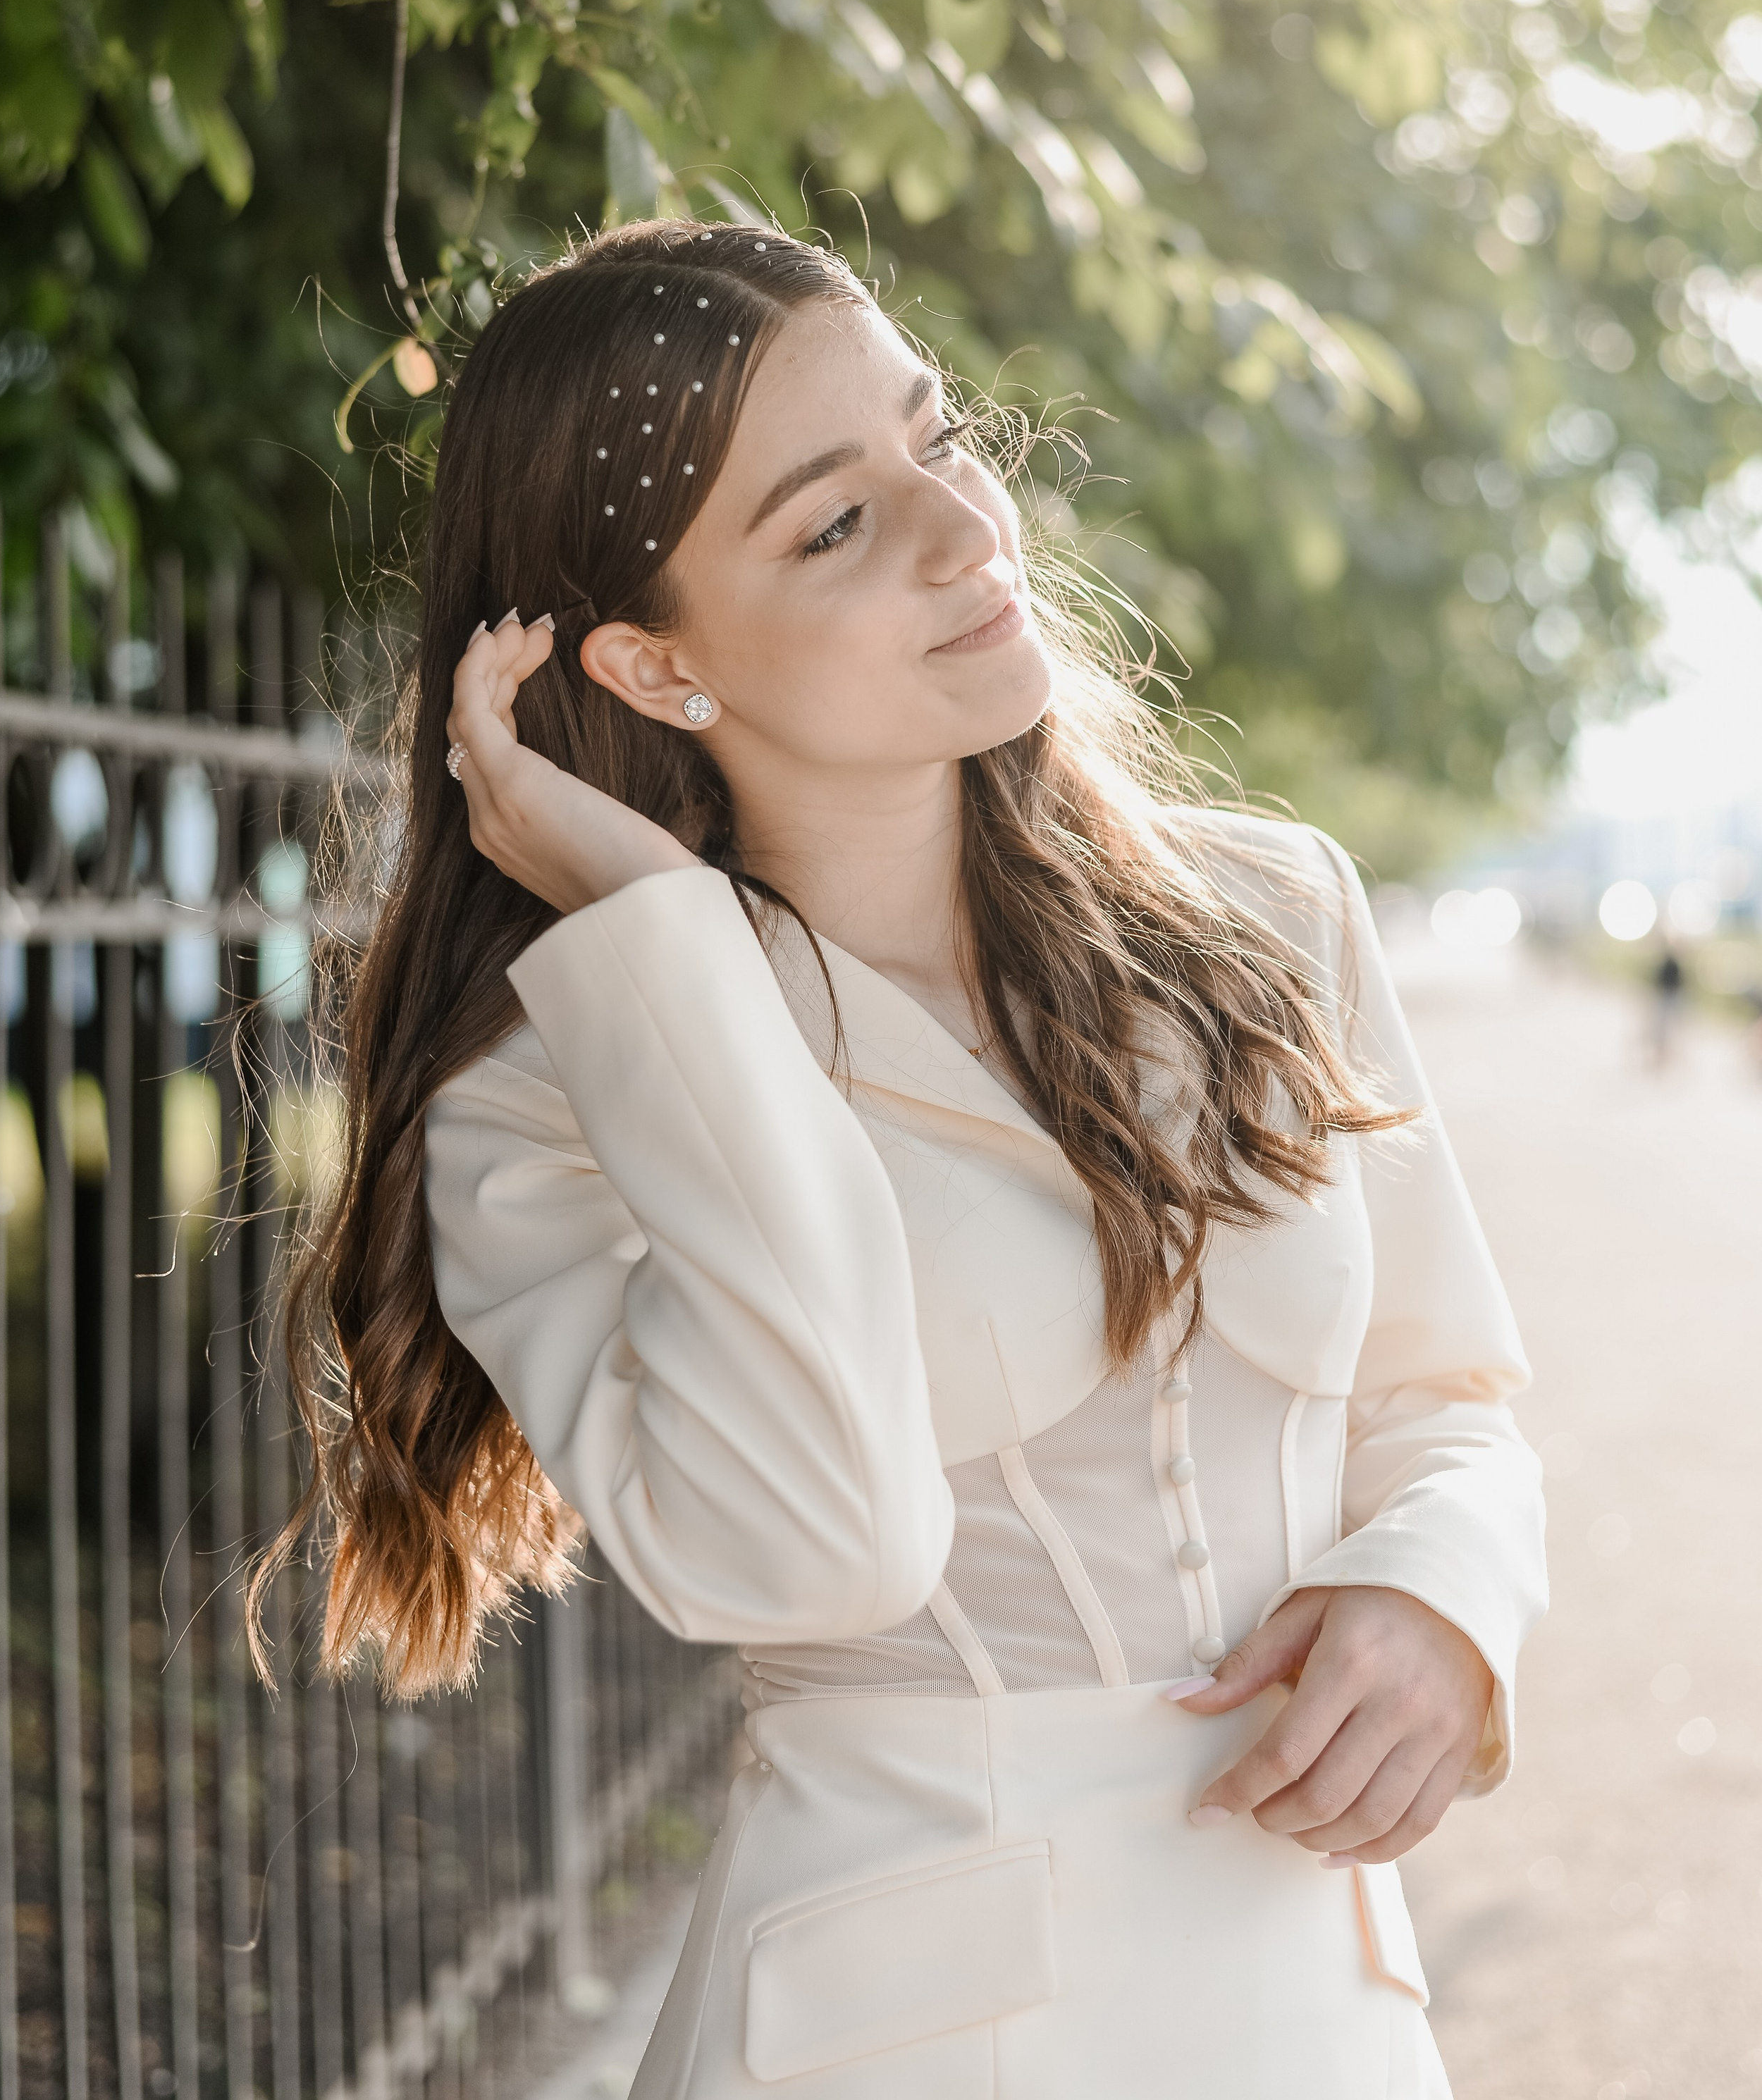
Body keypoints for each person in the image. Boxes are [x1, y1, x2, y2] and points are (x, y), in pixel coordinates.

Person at [263, 221, 1546, 2099]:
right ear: (652, 661)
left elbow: (1451, 1389)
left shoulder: (1275, 915)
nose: (964, 531)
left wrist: (1443, 1589)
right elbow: (825, 1542)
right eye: (832, 524)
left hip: (1316, 2011)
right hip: (900, 2037)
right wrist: (666, 949)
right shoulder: (559, 1092)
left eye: (936, 438)